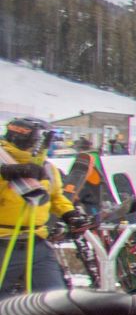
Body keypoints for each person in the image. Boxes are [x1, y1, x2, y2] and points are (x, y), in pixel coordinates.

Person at [0, 117, 81, 297]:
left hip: (37, 243)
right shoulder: (2, 160)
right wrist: (7, 175)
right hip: (3, 242)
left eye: (23, 132)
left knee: (54, 299)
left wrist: (70, 213)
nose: (16, 135)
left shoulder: (46, 167)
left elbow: (55, 197)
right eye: (14, 130)